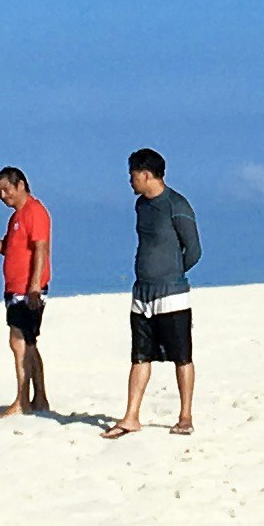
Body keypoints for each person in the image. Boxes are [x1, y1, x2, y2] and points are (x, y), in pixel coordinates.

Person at [107, 148, 200, 438]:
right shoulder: (141, 206)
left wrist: (171, 274)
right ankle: (131, 416)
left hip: (172, 294)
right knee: (139, 356)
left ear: (147, 175)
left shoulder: (176, 204)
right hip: (142, 293)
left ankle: (185, 416)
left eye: (133, 175)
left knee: (181, 356)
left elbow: (194, 250)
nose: (130, 181)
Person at [0, 166, 53, 418]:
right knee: (28, 343)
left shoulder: (35, 211)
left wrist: (34, 287)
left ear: (20, 185)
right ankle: (39, 398)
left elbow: (41, 249)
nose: (3, 195)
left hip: (27, 290)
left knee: (18, 342)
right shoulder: (17, 216)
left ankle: (22, 401)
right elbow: (8, 249)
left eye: (6, 189)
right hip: (15, 289)